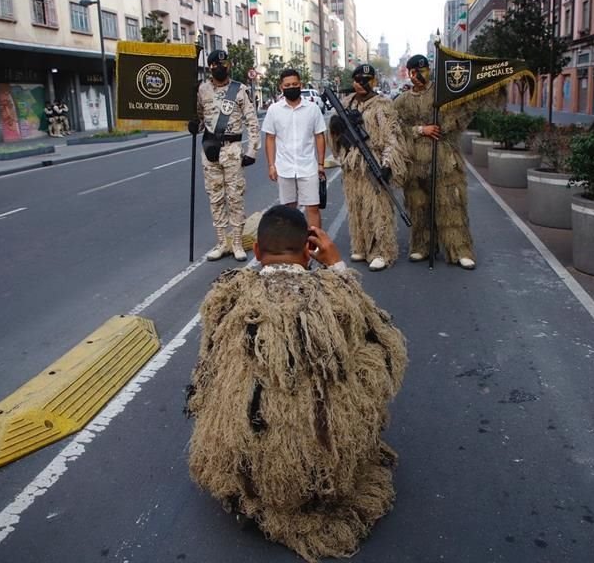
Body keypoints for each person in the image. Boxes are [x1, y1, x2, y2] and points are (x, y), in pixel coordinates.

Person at [185, 205, 407, 563]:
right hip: (320, 460)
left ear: (256, 253)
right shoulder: (334, 294)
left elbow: (205, 373)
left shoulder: (229, 296)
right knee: (367, 359)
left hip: (250, 459)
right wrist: (337, 266)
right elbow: (381, 338)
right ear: (309, 250)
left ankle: (252, 469)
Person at [393, 54, 477, 268]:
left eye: (423, 70)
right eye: (413, 72)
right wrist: (420, 130)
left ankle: (459, 249)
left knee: (450, 204)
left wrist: (446, 123)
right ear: (408, 73)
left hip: (444, 158)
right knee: (418, 205)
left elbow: (459, 117)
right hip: (415, 161)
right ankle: (422, 245)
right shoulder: (402, 101)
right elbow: (394, 128)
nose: (418, 75)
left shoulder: (442, 93)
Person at [328, 63, 407, 271]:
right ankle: (361, 246)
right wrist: (335, 129)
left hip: (374, 161)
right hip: (351, 167)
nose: (361, 84)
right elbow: (335, 142)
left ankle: (382, 250)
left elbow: (392, 138)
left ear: (373, 82)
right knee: (356, 207)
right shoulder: (345, 103)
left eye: (366, 81)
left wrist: (388, 165)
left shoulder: (382, 105)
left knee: (378, 209)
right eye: (357, 80)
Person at [192, 49, 261, 261]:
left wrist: (251, 151)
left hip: (232, 150)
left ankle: (237, 243)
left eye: (225, 64)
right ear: (210, 67)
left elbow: (252, 121)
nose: (221, 68)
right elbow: (199, 116)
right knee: (215, 197)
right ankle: (222, 242)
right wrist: (194, 124)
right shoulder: (202, 90)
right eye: (216, 65)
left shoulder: (239, 89)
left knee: (235, 197)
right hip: (210, 149)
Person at [261, 68, 327, 229]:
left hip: (308, 167)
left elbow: (320, 136)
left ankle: (315, 248)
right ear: (281, 87)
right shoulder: (274, 110)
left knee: (312, 207)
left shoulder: (312, 109)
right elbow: (270, 138)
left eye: (295, 84)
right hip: (284, 167)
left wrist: (320, 164)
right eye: (288, 85)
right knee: (288, 209)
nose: (291, 87)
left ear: (301, 85)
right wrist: (271, 165)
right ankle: (292, 246)